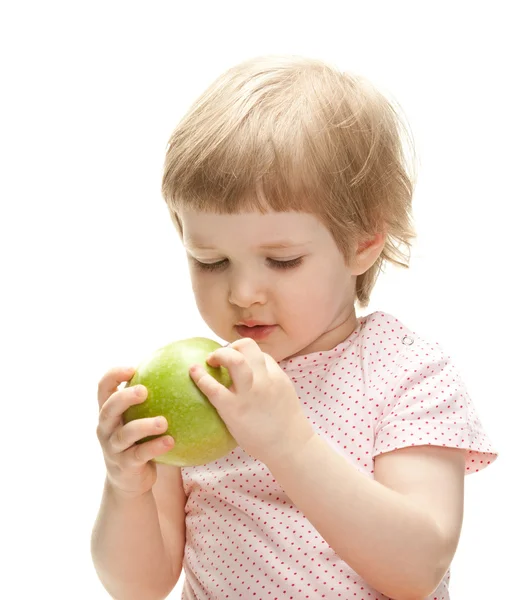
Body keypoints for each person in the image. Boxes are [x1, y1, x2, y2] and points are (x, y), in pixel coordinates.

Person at [91, 55, 497, 600]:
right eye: (211, 261)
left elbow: (417, 569)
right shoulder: (202, 381)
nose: (242, 293)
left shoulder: (406, 372)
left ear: (362, 243)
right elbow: (138, 587)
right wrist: (127, 486)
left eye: (281, 261)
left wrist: (289, 444)